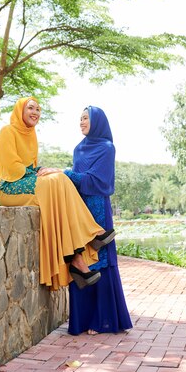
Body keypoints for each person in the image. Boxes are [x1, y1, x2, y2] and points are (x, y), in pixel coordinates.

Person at [0, 97, 116, 291]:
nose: (35, 112)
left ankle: (76, 258)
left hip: (25, 182)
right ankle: (92, 232)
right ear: (20, 111)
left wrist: (44, 170)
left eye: (38, 109)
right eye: (30, 108)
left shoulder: (31, 135)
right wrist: (39, 172)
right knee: (56, 180)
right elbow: (13, 168)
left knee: (60, 179)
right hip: (8, 185)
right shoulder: (8, 132)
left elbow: (30, 167)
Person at [64, 106, 132, 336]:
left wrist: (66, 174)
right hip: (79, 209)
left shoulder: (106, 148)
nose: (81, 122)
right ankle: (81, 319)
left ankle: (102, 319)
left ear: (97, 121)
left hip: (98, 211)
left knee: (100, 259)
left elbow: (99, 181)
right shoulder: (77, 149)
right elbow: (76, 181)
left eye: (86, 118)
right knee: (80, 257)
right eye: (80, 118)